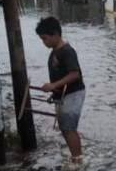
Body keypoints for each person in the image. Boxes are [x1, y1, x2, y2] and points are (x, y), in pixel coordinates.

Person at [35, 17, 86, 161]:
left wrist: (53, 86)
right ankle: (76, 155)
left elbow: (75, 74)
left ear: (55, 34)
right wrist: (54, 90)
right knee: (65, 128)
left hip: (74, 93)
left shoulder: (68, 51)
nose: (43, 42)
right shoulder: (54, 52)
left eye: (45, 38)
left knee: (69, 128)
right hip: (63, 95)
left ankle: (78, 159)